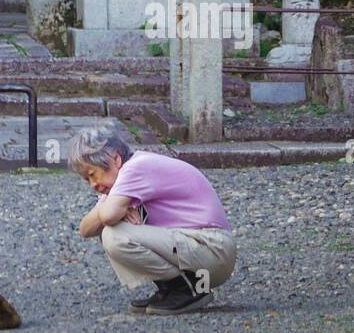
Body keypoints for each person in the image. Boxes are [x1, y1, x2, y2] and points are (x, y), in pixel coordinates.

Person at [71, 123, 237, 315]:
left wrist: (112, 211)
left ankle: (187, 290)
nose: (93, 185)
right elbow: (85, 229)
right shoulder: (124, 178)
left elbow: (107, 216)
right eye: (86, 180)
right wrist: (110, 208)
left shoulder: (135, 168)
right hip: (204, 251)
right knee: (111, 226)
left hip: (214, 248)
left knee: (114, 234)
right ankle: (173, 290)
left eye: (93, 175)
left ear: (115, 158)